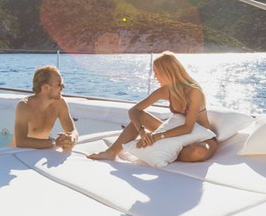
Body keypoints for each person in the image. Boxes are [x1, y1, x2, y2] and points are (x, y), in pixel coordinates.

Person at [89, 51, 217, 162]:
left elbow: (188, 128)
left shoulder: (194, 92)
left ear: (168, 72)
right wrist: (142, 132)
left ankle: (170, 151)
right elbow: (134, 110)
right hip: (176, 134)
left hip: (199, 136)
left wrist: (156, 137)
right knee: (139, 118)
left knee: (198, 152)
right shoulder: (164, 91)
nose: (154, 77)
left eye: (157, 72)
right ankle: (111, 152)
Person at [11, 65, 79, 150]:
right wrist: (55, 142)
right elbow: (20, 141)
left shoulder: (60, 103)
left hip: (40, 152)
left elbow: (73, 131)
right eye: (59, 84)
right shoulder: (24, 106)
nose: (63, 87)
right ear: (45, 87)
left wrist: (71, 138)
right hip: (16, 154)